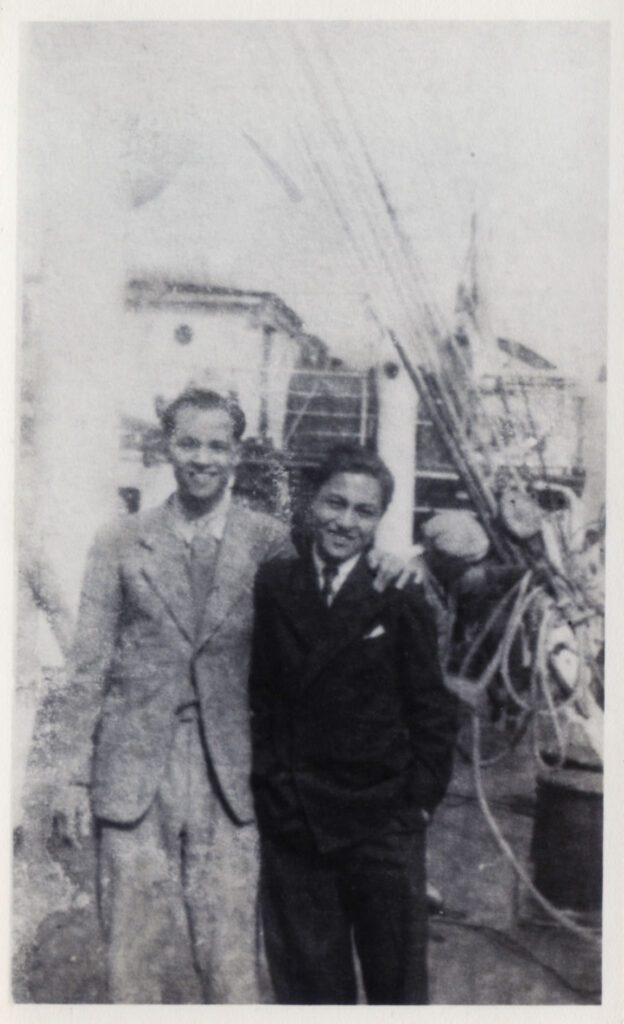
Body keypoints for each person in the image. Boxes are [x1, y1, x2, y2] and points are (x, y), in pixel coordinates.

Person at [53, 387, 422, 1003]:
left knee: (230, 963)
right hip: (133, 766)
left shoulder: (271, 542)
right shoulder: (119, 540)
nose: (202, 458)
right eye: (188, 442)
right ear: (166, 445)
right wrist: (70, 773)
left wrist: (397, 564)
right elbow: (87, 666)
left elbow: (342, 566)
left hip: (235, 773)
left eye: (218, 445)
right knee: (131, 958)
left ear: (237, 454)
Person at [249, 443, 458, 1005]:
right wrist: (274, 788)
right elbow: (262, 697)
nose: (345, 521)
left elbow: (434, 713)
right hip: (298, 824)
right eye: (334, 503)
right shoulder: (275, 584)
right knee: (311, 990)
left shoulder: (399, 594)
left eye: (363, 512)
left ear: (379, 520)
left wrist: (414, 805)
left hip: (381, 824)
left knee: (397, 986)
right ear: (312, 503)